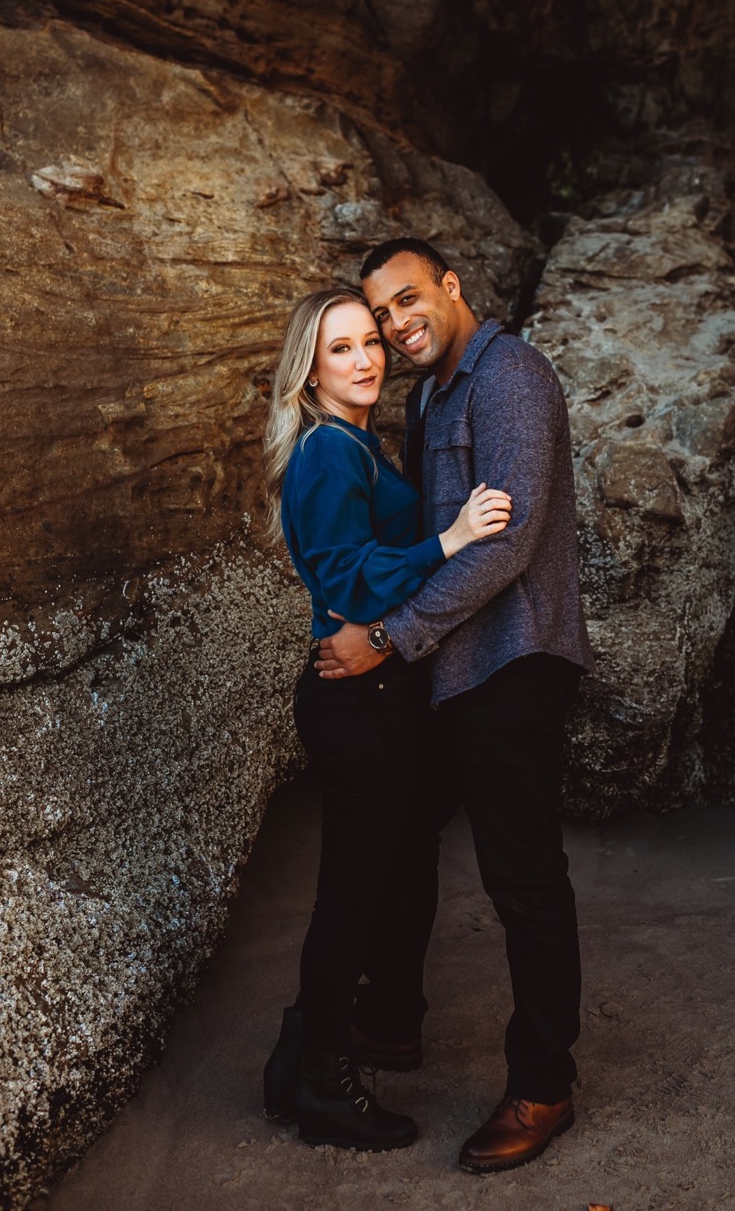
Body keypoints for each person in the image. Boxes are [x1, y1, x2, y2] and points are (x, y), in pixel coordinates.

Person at [315, 238, 595, 1175]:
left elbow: (504, 546)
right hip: (451, 666)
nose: (396, 324)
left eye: (406, 299)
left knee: (522, 877)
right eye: (380, 314)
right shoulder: (430, 393)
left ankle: (543, 1084)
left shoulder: (509, 376)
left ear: (451, 286)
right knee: (402, 835)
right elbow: (427, 534)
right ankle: (392, 1020)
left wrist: (389, 634)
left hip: (513, 659)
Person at [261, 286, 512, 1153]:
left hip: (371, 697)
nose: (366, 360)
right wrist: (450, 539)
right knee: (351, 901)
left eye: (370, 342)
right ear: (309, 369)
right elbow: (348, 578)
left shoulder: (354, 444)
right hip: (355, 702)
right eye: (341, 349)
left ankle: (297, 1060)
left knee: (368, 888)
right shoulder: (329, 451)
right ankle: (327, 1084)